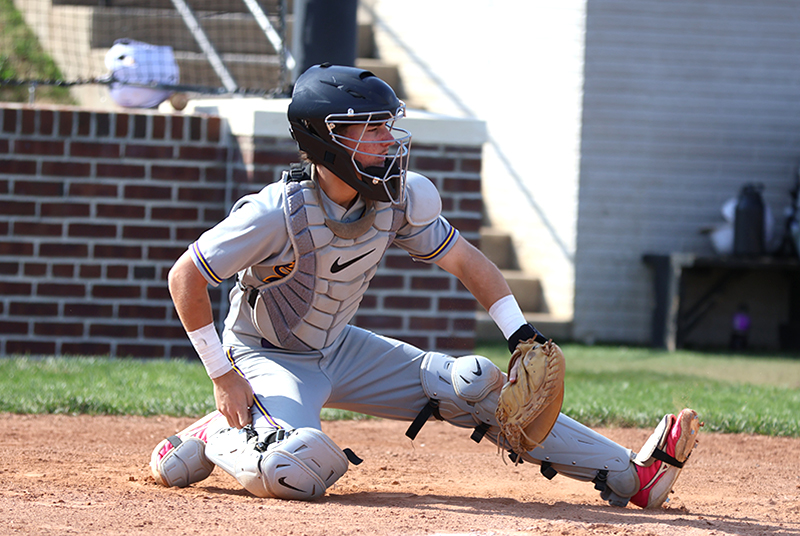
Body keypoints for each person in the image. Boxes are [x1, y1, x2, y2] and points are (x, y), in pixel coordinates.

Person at [150, 64, 699, 507]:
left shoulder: (401, 198)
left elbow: (467, 263)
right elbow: (185, 276)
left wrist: (521, 335)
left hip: (339, 348)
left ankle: (632, 475)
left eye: (388, 125)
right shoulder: (275, 213)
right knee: (293, 468)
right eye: (372, 128)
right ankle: (219, 432)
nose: (389, 139)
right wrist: (223, 375)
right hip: (265, 356)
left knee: (471, 382)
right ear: (327, 139)